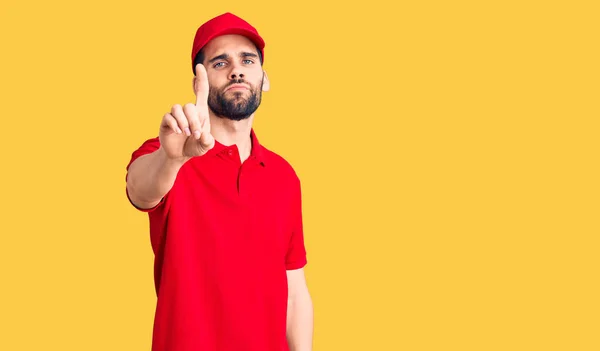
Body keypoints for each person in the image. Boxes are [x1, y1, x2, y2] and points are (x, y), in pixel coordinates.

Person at [124, 12, 314, 351]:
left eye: (247, 60)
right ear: (200, 81)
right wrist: (173, 158)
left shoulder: (284, 176)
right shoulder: (167, 152)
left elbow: (294, 289)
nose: (236, 70)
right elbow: (139, 190)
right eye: (220, 63)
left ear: (264, 78)